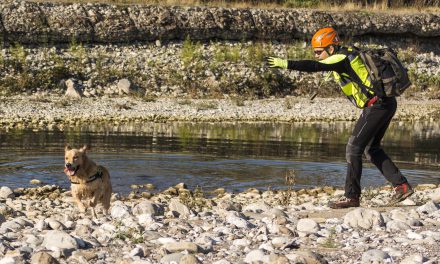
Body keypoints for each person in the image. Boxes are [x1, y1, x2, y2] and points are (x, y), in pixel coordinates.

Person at [266, 27, 413, 208]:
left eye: (319, 51)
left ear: (331, 48)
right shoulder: (348, 53)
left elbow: (314, 66)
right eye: (315, 52)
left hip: (377, 107)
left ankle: (351, 197)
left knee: (353, 148)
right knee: (370, 149)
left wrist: (285, 63)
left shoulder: (340, 57)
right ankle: (402, 186)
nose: (317, 55)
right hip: (386, 103)